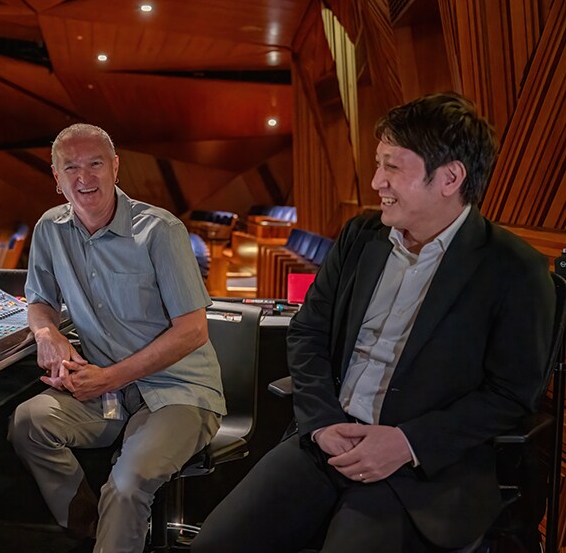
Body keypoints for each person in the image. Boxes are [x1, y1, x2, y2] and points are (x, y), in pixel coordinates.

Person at [192, 93, 555, 552]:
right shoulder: (360, 236)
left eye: (392, 167)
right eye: (377, 164)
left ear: (450, 177)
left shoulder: (514, 269)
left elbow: (510, 395)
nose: (376, 181)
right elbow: (308, 331)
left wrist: (405, 443)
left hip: (420, 471)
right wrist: (322, 423)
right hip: (327, 441)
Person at [8, 123, 226, 553]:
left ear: (115, 167)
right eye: (71, 167)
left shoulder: (160, 230)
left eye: (95, 164)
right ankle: (99, 531)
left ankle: (116, 528)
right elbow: (40, 301)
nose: (84, 177)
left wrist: (109, 378)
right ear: (56, 177)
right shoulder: (50, 228)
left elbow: (192, 331)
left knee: (126, 485)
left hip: (178, 391)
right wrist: (47, 332)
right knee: (28, 423)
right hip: (106, 394)